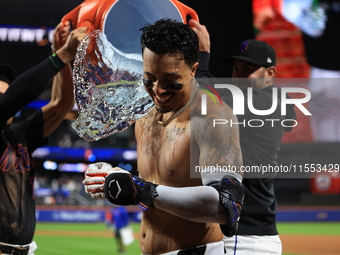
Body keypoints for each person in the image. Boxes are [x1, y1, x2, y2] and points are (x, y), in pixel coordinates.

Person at [83, 19, 244, 255]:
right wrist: (116, 177)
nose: (158, 90)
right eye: (150, 78)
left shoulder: (213, 115)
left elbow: (226, 205)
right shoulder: (145, 115)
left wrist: (141, 191)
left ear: (193, 70)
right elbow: (159, 183)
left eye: (171, 81)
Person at [189, 19, 296, 255]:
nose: (237, 76)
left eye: (247, 70)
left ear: (270, 74)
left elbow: (204, 93)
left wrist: (204, 54)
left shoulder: (269, 102)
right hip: (247, 234)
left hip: (245, 238)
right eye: (235, 68)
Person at [0, 22, 88, 255]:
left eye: (4, 92)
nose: (5, 99)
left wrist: (60, 55)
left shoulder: (21, 134)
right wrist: (63, 54)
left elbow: (62, 103)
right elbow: (16, 97)